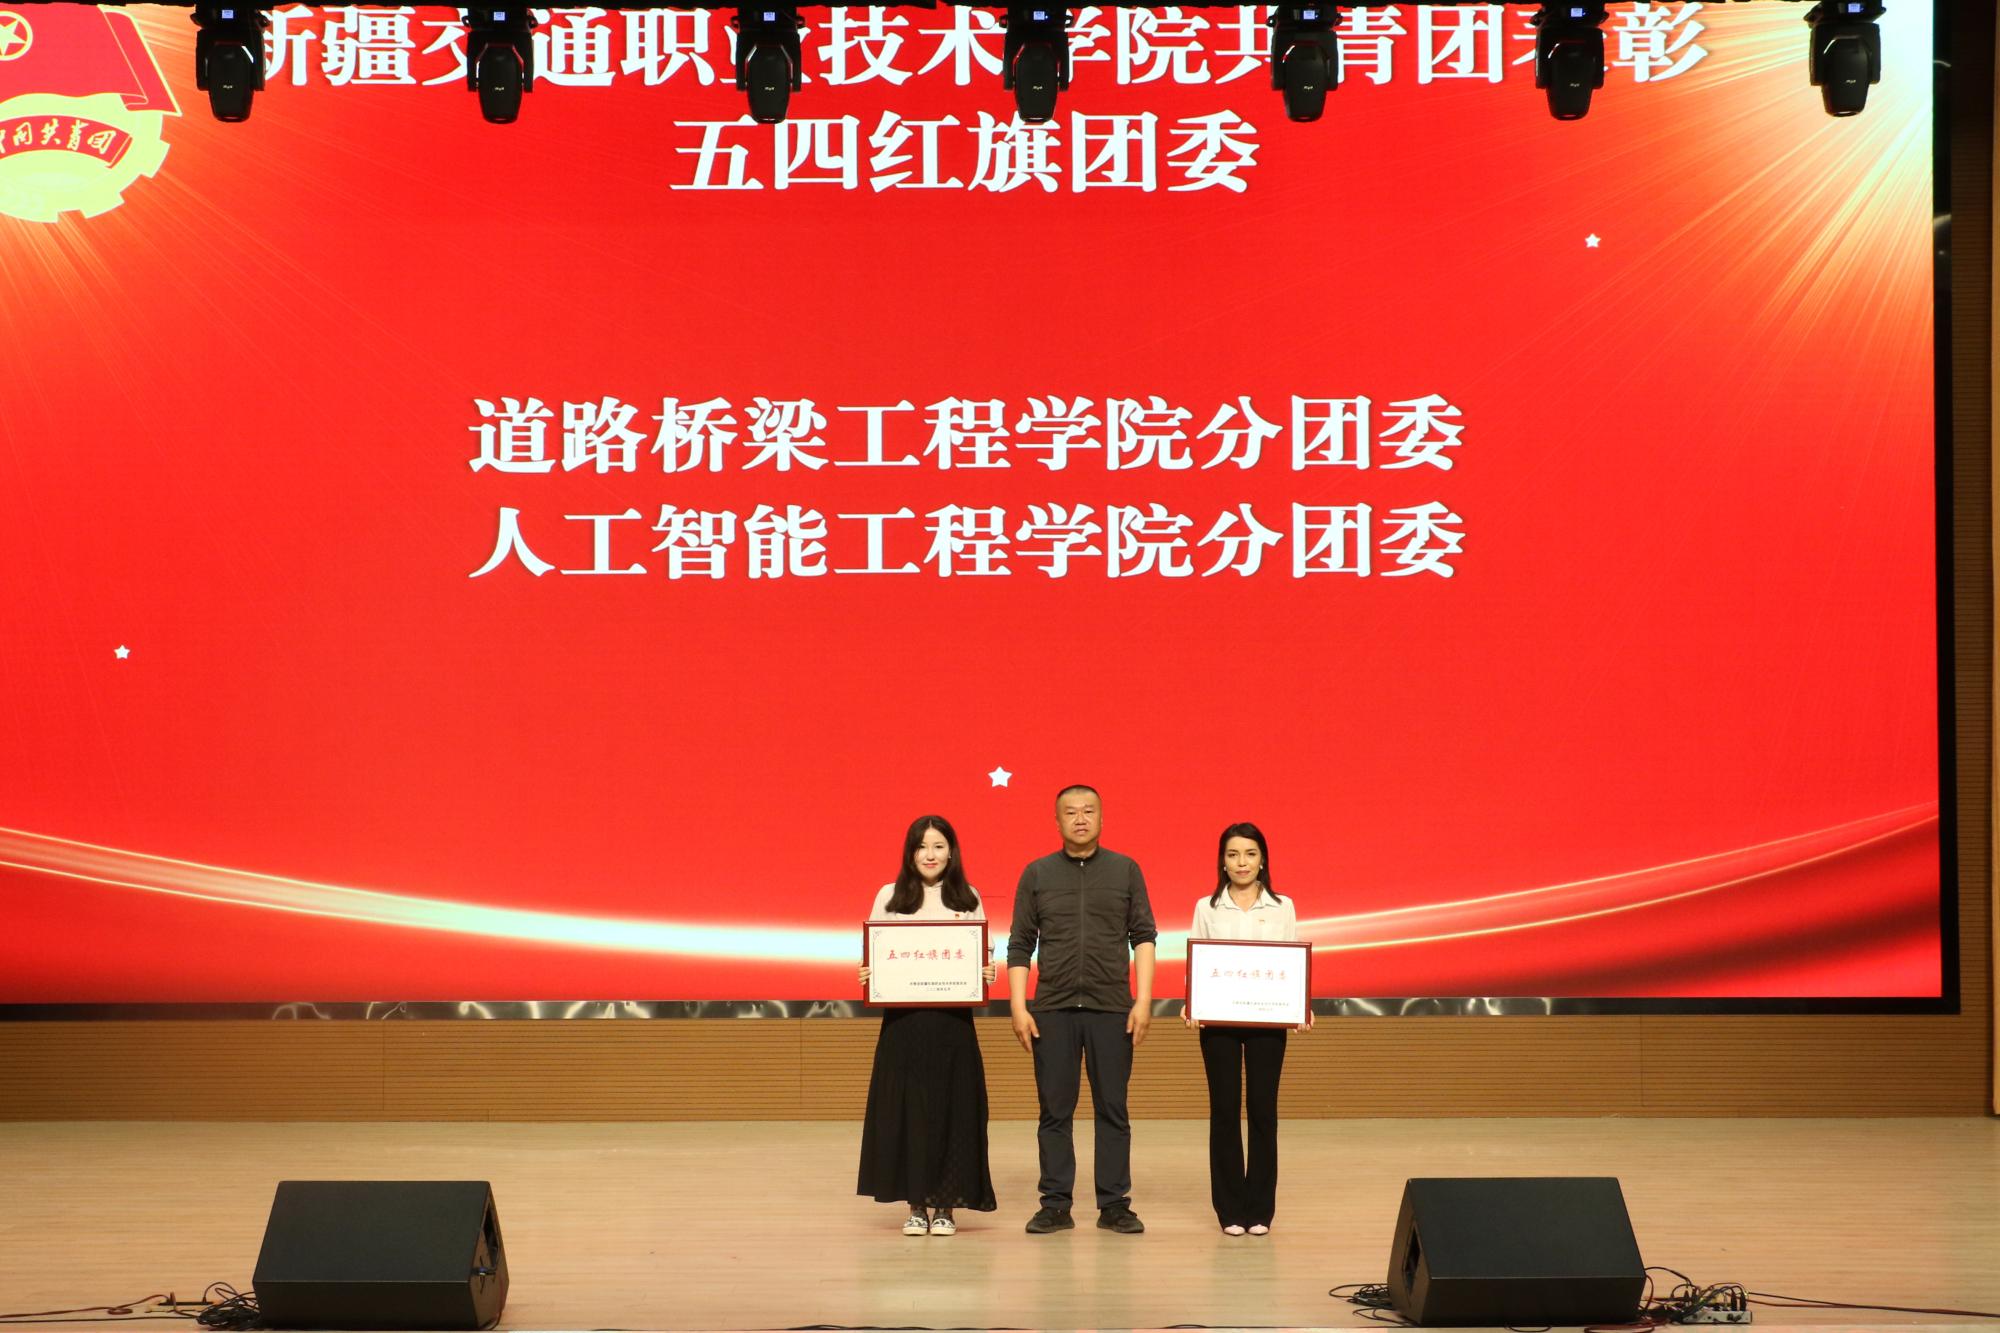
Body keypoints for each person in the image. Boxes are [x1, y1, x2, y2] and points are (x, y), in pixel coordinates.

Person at [1007, 784, 1158, 1236]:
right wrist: (1019, 1005)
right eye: (1070, 812)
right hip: (1052, 1009)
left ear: (1101, 818)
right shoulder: (1037, 873)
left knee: (1113, 1109)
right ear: (1056, 821)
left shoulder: (1125, 870)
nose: (1080, 819)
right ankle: (1055, 1205)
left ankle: (1115, 1205)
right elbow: (1020, 943)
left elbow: (1143, 936)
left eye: (1088, 811)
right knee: (1055, 1111)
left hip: (1112, 1008)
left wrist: (1143, 1001)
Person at [857, 815, 1000, 1236]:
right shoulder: (889, 896)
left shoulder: (968, 897)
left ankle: (946, 1208)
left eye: (938, 846)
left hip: (952, 1026)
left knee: (953, 1111)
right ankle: (917, 1205)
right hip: (904, 1026)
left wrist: (986, 972)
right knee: (909, 1113)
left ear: (951, 852)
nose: (930, 855)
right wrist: (868, 973)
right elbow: (874, 955)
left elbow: (982, 956)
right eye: (921, 846)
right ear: (910, 853)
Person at [1183, 822, 1310, 1236]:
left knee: (1262, 1110)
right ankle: (1229, 1210)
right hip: (1218, 1021)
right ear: (1222, 861)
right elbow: (1197, 961)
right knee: (1223, 1111)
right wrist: (1192, 1001)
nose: (1242, 862)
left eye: (1250, 854)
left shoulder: (1282, 906)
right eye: (1233, 854)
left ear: (1263, 860)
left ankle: (1259, 1210)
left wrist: (1299, 1005)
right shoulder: (1207, 907)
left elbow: (1291, 960)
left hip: (1266, 1021)